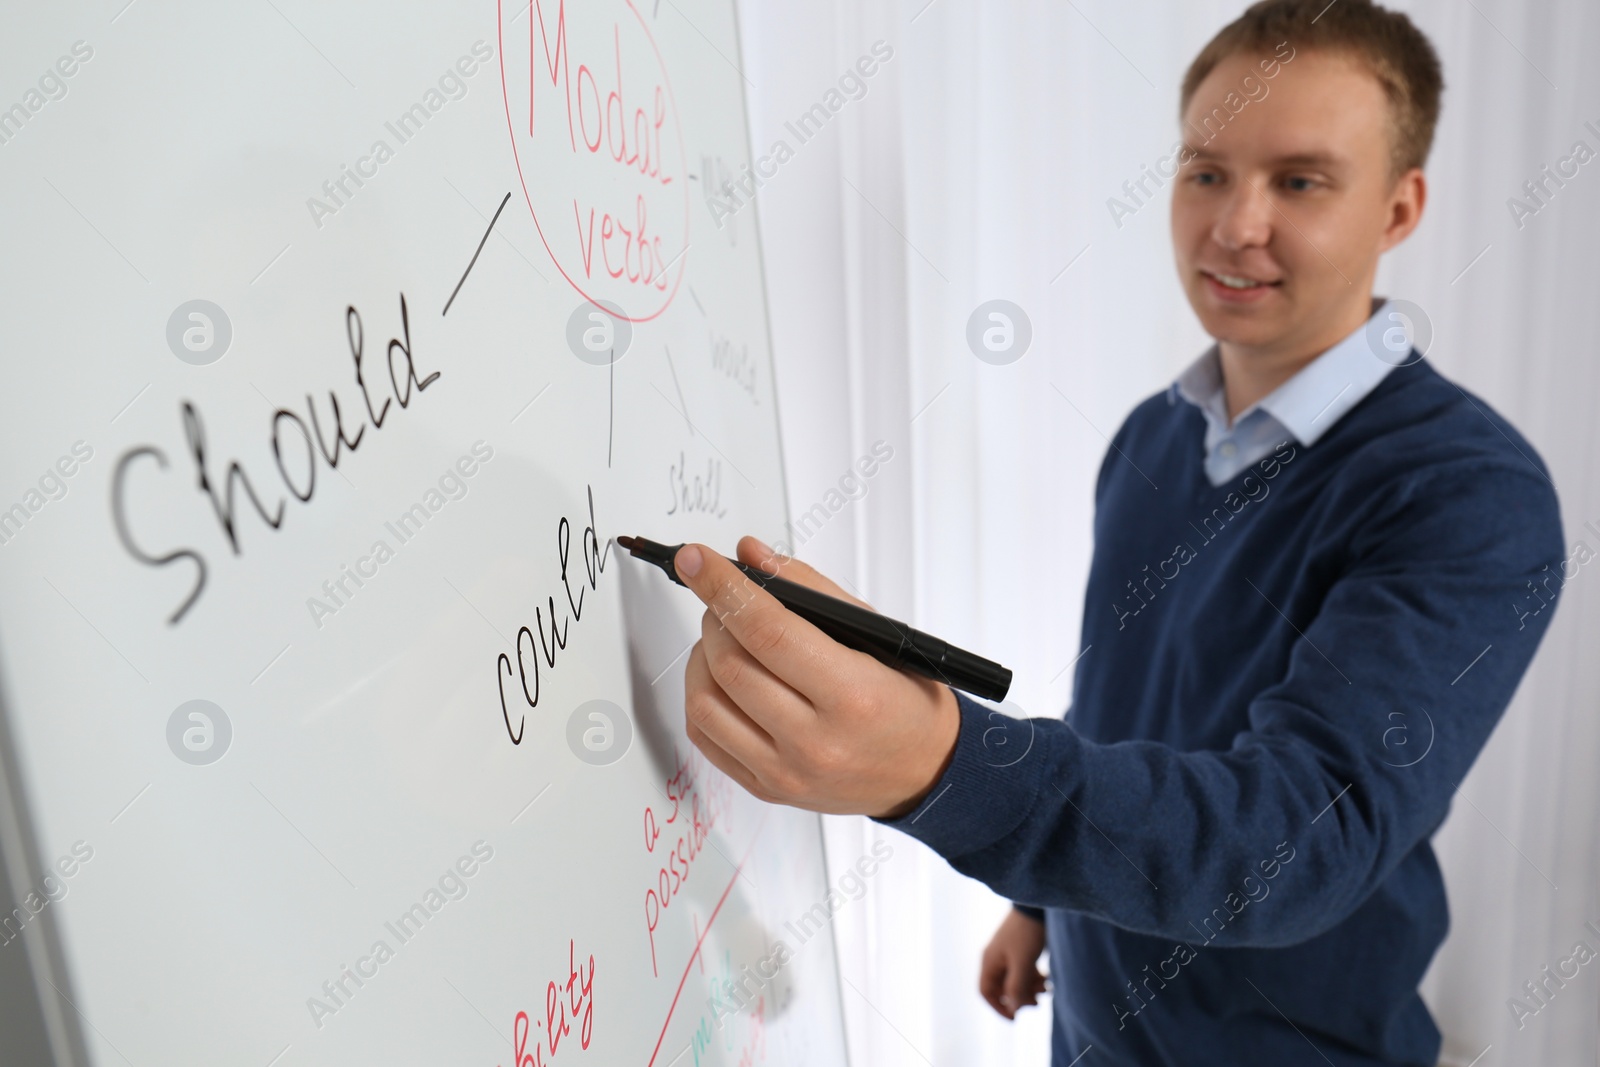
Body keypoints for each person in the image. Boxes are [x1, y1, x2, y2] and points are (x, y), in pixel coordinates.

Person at [668, 1, 1566, 1063]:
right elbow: (1123, 710)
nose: (1234, 224)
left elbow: (1295, 840)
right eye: (1204, 172)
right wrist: (1044, 907)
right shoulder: (1156, 433)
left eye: (1299, 181)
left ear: (1399, 208)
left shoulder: (1466, 490)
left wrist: (943, 764)